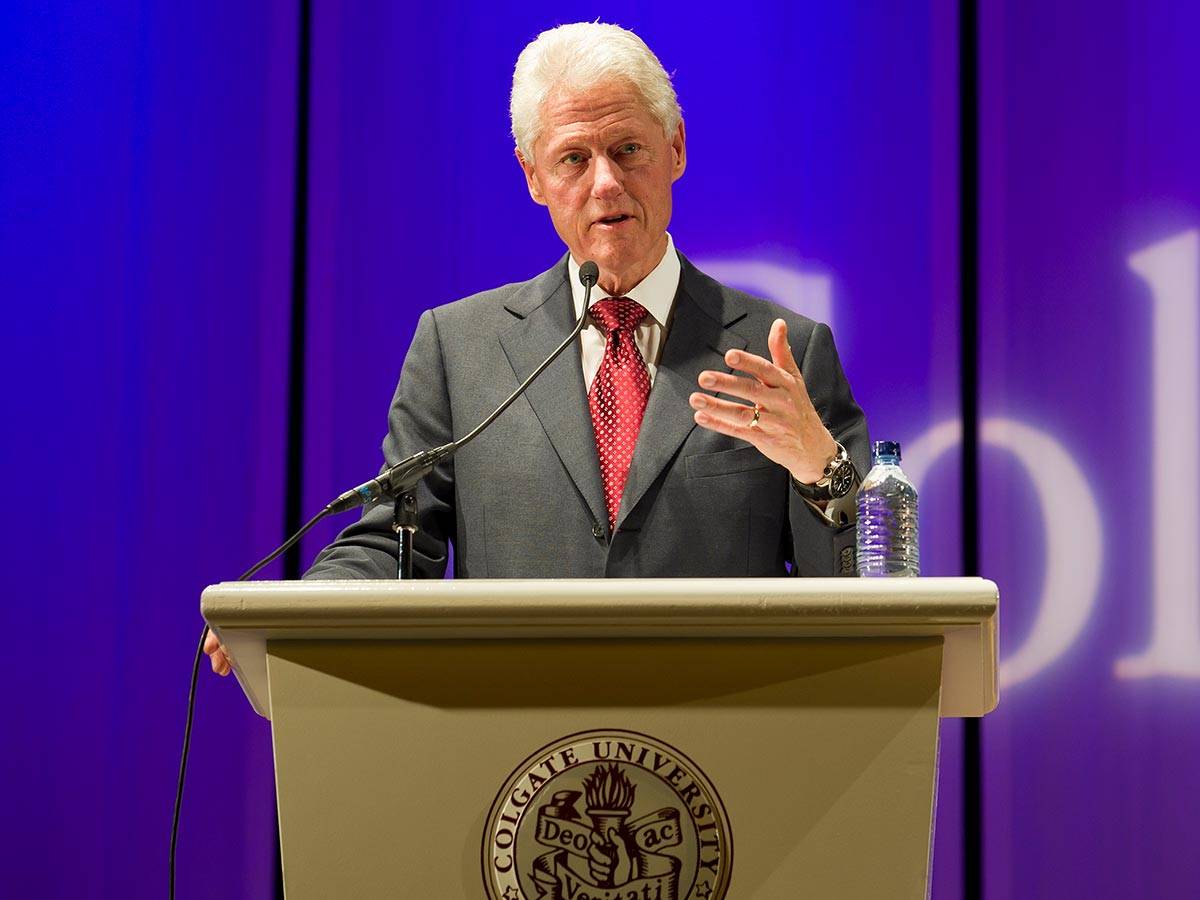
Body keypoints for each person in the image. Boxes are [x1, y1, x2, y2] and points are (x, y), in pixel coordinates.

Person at [206, 22, 868, 676]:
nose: (605, 183)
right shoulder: (458, 350)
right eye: (574, 159)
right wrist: (297, 612)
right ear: (534, 176)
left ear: (676, 148)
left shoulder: (783, 352)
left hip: (720, 740)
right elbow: (394, 540)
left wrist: (822, 470)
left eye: (628, 149)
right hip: (520, 751)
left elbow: (870, 586)